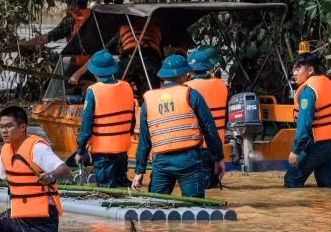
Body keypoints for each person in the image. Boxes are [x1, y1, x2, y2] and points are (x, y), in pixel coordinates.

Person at [131, 54, 224, 198]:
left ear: (163, 77)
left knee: (156, 209)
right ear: (183, 76)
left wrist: (139, 171)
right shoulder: (191, 95)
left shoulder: (148, 101)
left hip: (161, 163)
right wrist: (218, 158)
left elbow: (144, 141)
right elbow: (209, 129)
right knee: (196, 210)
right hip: (189, 161)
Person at [74, 50, 137, 187]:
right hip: (122, 149)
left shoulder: (93, 91)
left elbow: (86, 125)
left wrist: (80, 151)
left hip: (103, 152)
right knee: (122, 184)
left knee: (107, 189)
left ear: (94, 72)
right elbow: (132, 120)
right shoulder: (127, 87)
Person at [284, 41, 331, 188]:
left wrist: (296, 151)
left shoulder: (308, 92)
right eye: (293, 69)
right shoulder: (326, 82)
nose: (294, 73)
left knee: (291, 180)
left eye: (298, 69)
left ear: (310, 70)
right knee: (329, 187)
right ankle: (328, 210)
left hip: (317, 145)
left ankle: (296, 211)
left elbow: (304, 125)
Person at [18, 0, 92, 89]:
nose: (67, 8)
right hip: (96, 65)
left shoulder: (70, 20)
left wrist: (25, 44)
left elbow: (47, 38)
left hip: (78, 65)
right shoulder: (94, 16)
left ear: (74, 5)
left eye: (68, 4)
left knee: (53, 88)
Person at [185, 49, 228, 188]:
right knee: (213, 186)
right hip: (216, 146)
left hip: (197, 147)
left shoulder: (187, 89)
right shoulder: (222, 85)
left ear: (189, 71)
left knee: (202, 189)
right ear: (208, 68)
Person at [104, 17, 164, 98]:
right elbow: (160, 54)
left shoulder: (124, 27)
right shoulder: (156, 28)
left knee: (114, 81)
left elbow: (117, 49)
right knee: (150, 91)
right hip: (150, 61)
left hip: (130, 60)